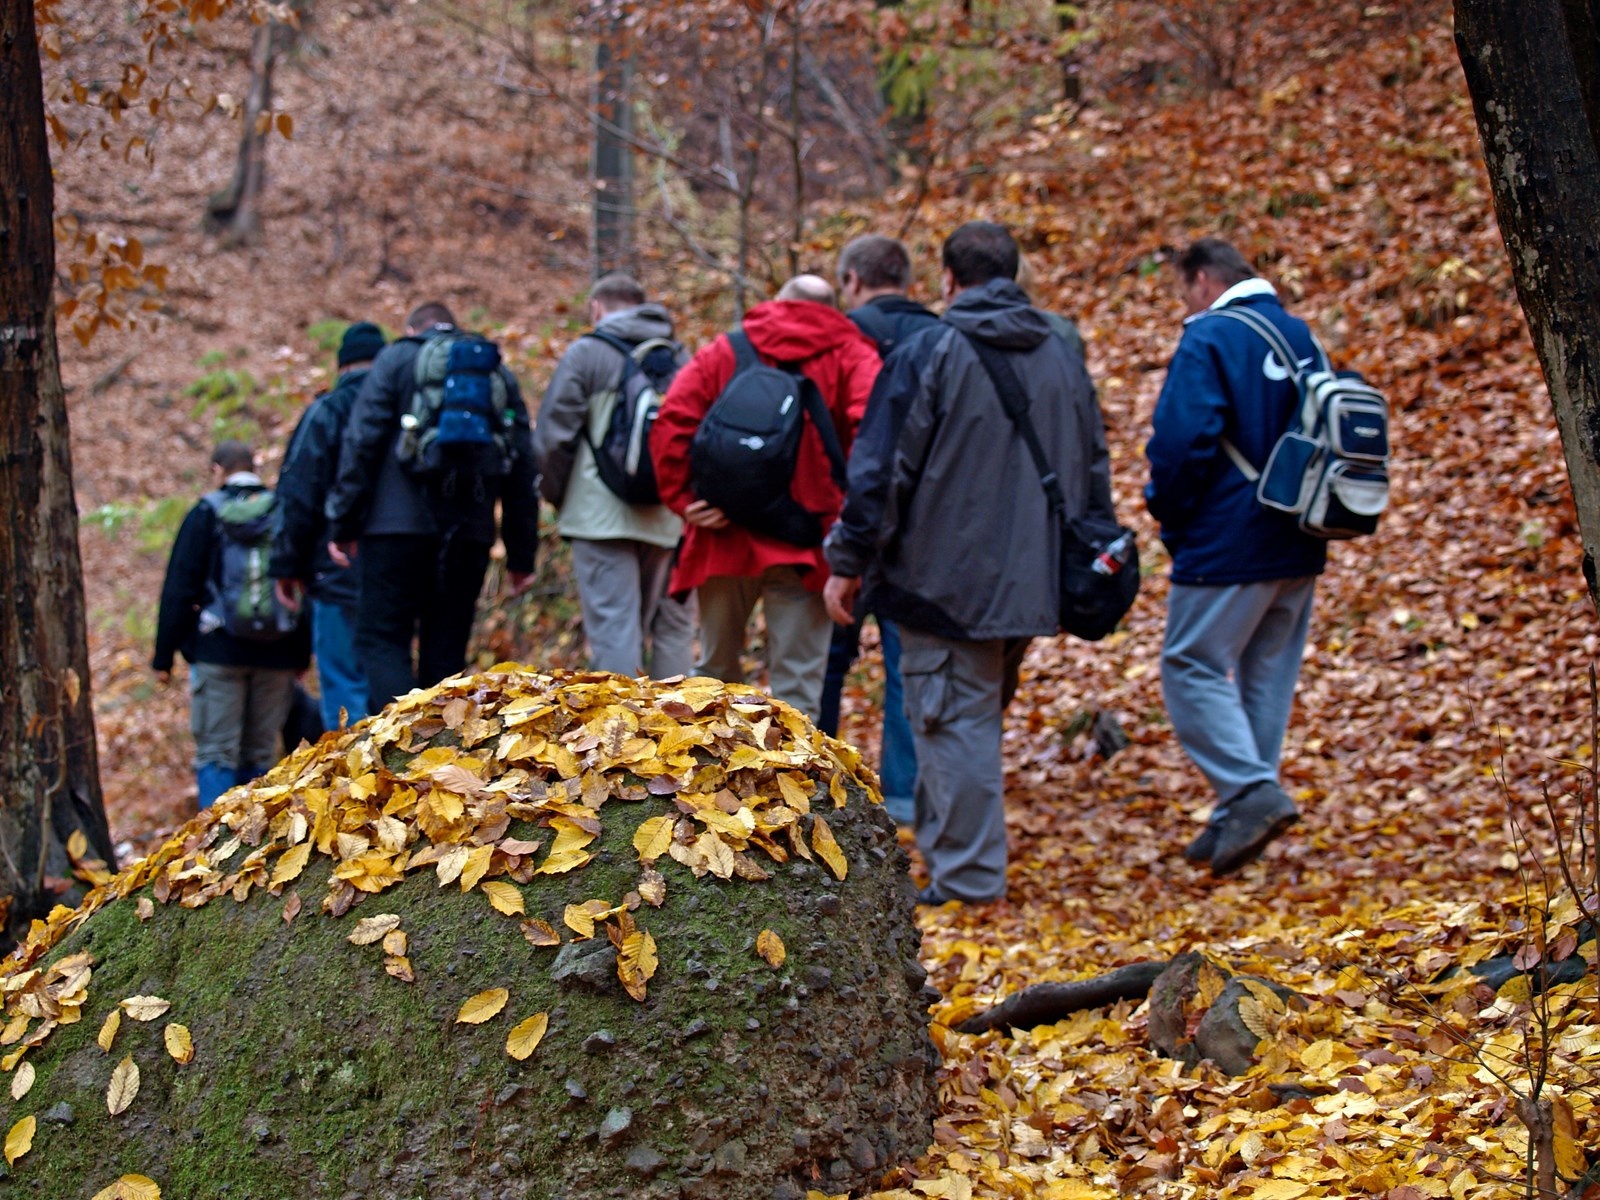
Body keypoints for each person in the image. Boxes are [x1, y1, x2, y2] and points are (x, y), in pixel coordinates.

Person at [823, 221, 1114, 905]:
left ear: (948, 280)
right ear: (1015, 274)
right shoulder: (1061, 352)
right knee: (967, 719)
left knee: (954, 724)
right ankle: (957, 861)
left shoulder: (932, 352)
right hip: (1035, 577)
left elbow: (882, 470)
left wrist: (848, 559)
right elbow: (1092, 462)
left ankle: (968, 880)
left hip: (946, 581)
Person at [1145, 237, 1320, 876]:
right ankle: (1238, 812)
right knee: (1264, 675)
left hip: (1228, 538)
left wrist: (1167, 509)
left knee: (1189, 664)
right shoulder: (1300, 336)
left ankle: (1250, 793)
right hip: (1302, 533)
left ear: (1199, 280)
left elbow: (1181, 441)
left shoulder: (1210, 338)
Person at [649, 279, 880, 721]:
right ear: (833, 308)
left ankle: (706, 784)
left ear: (778, 302)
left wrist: (683, 498)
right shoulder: (852, 354)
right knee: (798, 688)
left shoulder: (727, 349)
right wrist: (852, 523)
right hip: (807, 541)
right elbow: (873, 441)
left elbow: (672, 421)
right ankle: (796, 789)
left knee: (712, 679)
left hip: (724, 533)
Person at [324, 301, 539, 710]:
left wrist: (343, 522)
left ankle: (400, 752)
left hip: (394, 530)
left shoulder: (396, 360)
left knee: (382, 639)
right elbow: (522, 464)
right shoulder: (494, 371)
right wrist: (521, 553)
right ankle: (440, 758)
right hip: (469, 530)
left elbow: (362, 441)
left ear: (411, 330)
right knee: (446, 649)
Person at [821, 234, 943, 826]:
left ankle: (810, 789)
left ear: (851, 279)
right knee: (904, 667)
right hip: (919, 532)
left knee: (826, 661)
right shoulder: (942, 338)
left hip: (839, 520)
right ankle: (903, 797)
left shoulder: (839, 336)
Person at [533, 274, 694, 678]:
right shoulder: (681, 357)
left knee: (615, 629)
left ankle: (621, 737)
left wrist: (557, 496)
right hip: (666, 514)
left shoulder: (587, 354)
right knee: (671, 629)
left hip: (598, 515)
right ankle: (682, 730)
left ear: (597, 308)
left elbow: (555, 437)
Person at [153, 441, 311, 808]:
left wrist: (164, 657)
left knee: (216, 751)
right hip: (279, 651)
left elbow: (179, 587)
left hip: (217, 649)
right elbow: (304, 583)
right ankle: (254, 845)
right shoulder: (283, 511)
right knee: (259, 753)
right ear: (255, 467)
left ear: (216, 469)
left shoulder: (205, 514)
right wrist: (302, 653)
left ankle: (214, 850)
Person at [270, 320, 386, 728]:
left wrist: (286, 567)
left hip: (333, 570)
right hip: (398, 571)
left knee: (343, 686)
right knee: (390, 682)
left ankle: (353, 786)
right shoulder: (403, 407)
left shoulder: (326, 412)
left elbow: (297, 495)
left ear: (342, 366)